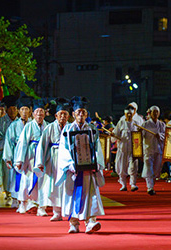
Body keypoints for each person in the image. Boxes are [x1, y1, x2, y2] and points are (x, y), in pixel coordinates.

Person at [56, 96, 105, 234]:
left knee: (91, 194)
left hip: (88, 169)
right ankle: (74, 223)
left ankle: (91, 221)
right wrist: (70, 164)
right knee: (72, 194)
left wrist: (95, 162)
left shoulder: (92, 129)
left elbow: (97, 148)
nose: (81, 115)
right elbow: (63, 149)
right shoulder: (67, 129)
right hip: (74, 170)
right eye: (78, 112)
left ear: (87, 114)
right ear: (73, 114)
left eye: (83, 112)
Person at [34, 98, 71, 221]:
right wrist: (40, 162)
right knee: (54, 185)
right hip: (53, 159)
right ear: (56, 115)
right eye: (61, 114)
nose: (63, 117)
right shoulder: (49, 128)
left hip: (67, 160)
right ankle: (56, 211)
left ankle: (68, 211)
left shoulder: (71, 128)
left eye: (65, 114)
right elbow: (42, 145)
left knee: (67, 184)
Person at [14, 99, 48, 214]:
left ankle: (40, 206)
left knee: (42, 181)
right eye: (37, 112)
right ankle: (23, 202)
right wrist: (19, 160)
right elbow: (22, 143)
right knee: (27, 179)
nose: (39, 114)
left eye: (41, 112)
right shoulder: (29, 126)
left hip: (43, 157)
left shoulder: (47, 126)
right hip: (31, 157)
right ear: (33, 114)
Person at [3, 97, 32, 210]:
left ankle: (28, 200)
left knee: (29, 178)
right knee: (15, 177)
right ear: (19, 111)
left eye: (26, 109)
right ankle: (15, 198)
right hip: (17, 154)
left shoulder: (33, 124)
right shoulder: (14, 126)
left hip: (30, 155)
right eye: (22, 109)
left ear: (30, 111)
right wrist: (8, 157)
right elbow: (9, 142)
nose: (24, 112)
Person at [0, 95, 18, 206]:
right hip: (6, 150)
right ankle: (8, 193)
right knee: (7, 173)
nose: (13, 111)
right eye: (11, 109)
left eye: (15, 109)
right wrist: (6, 144)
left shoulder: (21, 121)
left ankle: (18, 195)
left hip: (19, 152)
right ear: (7, 110)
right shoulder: (2, 122)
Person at [111, 104, 141, 191]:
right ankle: (123, 184)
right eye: (127, 114)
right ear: (125, 114)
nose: (129, 115)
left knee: (133, 167)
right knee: (122, 167)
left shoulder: (137, 123)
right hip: (122, 149)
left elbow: (140, 136)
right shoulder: (121, 122)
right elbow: (115, 135)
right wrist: (113, 135)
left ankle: (133, 184)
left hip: (133, 149)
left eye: (130, 114)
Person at [141, 105, 165, 195]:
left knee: (156, 169)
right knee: (148, 168)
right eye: (153, 112)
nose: (155, 114)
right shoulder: (145, 124)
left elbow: (166, 136)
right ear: (150, 113)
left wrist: (160, 136)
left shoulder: (162, 124)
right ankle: (149, 187)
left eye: (157, 112)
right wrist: (139, 132)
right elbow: (141, 136)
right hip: (148, 149)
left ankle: (151, 184)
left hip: (158, 149)